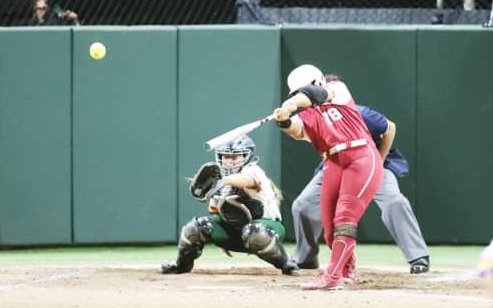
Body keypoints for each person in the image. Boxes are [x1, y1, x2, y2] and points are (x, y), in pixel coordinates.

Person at [291, 89, 430, 276]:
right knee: (303, 204)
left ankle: (418, 256)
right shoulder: (313, 117)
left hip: (368, 163)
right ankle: (305, 258)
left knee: (395, 201)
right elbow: (295, 130)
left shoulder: (358, 112)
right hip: (335, 167)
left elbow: (389, 128)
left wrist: (378, 162)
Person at [274, 64, 383, 290]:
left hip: (360, 155)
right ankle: (346, 267)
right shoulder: (309, 115)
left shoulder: (337, 89)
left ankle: (332, 276)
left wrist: (292, 104)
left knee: (345, 218)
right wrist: (283, 119)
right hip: (333, 162)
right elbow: (296, 129)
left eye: (300, 91)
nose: (298, 96)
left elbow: (318, 95)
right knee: (329, 227)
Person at [161, 135, 300, 275]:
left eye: (235, 157)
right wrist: (218, 232)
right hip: (235, 232)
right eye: (226, 156)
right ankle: (181, 264)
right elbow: (215, 213)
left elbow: (247, 180)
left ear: (247, 156)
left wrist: (224, 180)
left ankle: (286, 262)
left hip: (267, 230)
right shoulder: (217, 178)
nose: (229, 161)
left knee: (255, 231)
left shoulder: (253, 170)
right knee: (195, 226)